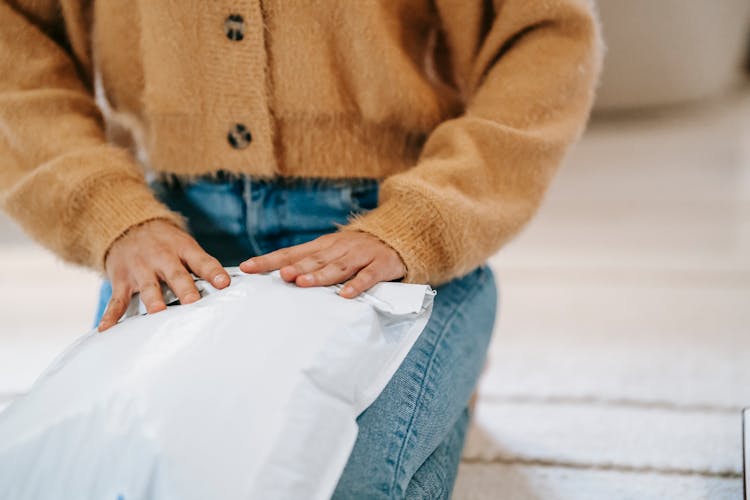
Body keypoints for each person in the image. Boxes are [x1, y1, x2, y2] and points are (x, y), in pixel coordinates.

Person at [0, 0, 602, 497]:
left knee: (329, 482)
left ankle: (445, 364)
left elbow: (545, 35)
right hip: (176, 240)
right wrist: (108, 211)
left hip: (390, 243)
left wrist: (426, 220)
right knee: (109, 474)